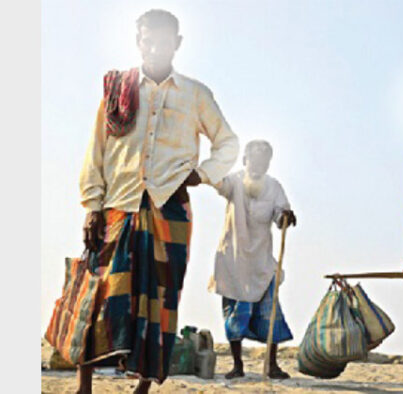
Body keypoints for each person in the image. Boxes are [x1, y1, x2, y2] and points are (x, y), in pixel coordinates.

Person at [72, 9, 239, 393]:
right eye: (147, 39)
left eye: (163, 40)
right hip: (118, 205)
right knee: (98, 294)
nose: (154, 47)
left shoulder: (196, 94)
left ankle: (143, 387)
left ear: (177, 44)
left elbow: (228, 143)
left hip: (170, 210)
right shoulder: (119, 89)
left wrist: (201, 174)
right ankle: (84, 385)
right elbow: (96, 150)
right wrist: (91, 206)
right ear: (138, 41)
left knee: (160, 298)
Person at [209, 140, 297, 380]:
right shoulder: (233, 182)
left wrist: (286, 217)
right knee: (234, 317)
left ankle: (271, 365)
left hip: (261, 263)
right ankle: (237, 365)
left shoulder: (274, 187)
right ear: (245, 160)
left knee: (270, 315)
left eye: (264, 161)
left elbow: (281, 214)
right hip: (234, 262)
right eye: (255, 160)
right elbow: (216, 182)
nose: (259, 165)